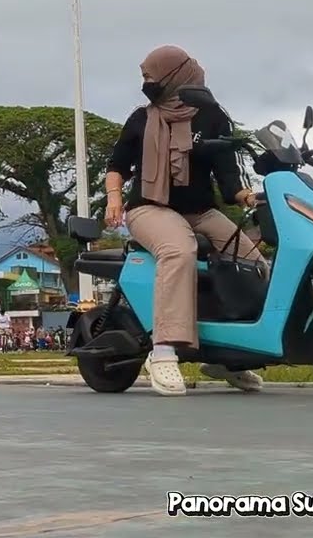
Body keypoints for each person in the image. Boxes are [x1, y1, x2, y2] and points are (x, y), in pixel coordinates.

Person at [104, 44, 266, 396]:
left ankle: (228, 355)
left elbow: (228, 176)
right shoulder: (141, 118)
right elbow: (117, 166)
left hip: (201, 211)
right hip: (149, 208)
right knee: (179, 250)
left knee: (253, 262)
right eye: (144, 77)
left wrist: (249, 197)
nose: (146, 83)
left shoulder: (212, 116)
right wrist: (114, 199)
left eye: (151, 76)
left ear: (176, 75)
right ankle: (163, 351)